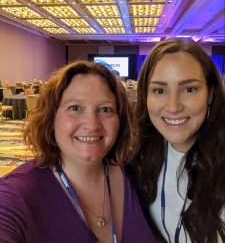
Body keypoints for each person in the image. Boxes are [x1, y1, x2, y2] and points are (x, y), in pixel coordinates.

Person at [0, 60, 160, 243]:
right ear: (52, 118)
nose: (92, 125)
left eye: (105, 109)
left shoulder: (137, 176)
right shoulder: (17, 195)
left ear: (120, 120)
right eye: (75, 108)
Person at [130, 39, 225, 243]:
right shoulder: (141, 159)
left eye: (189, 89)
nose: (173, 107)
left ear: (210, 94)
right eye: (159, 90)